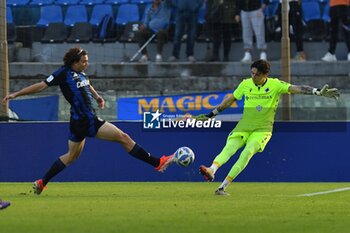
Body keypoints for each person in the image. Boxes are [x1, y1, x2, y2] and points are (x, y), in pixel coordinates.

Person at [2, 47, 175, 195]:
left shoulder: (81, 74)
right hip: (86, 119)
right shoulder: (63, 73)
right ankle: (157, 162)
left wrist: (97, 96)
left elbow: (87, 84)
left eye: (87, 61)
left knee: (71, 157)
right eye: (83, 61)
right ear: (74, 62)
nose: (86, 64)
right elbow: (41, 85)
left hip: (79, 121)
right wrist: (16, 94)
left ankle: (42, 182)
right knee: (123, 137)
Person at [196, 59, 340, 195]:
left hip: (262, 130)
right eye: (252, 73)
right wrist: (211, 115)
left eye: (257, 74)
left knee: (247, 152)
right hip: (244, 126)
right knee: (229, 148)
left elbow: (297, 88)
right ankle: (212, 170)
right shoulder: (246, 84)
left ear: (266, 74)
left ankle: (222, 187)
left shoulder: (275, 85)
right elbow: (230, 100)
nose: (253, 77)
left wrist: (317, 92)